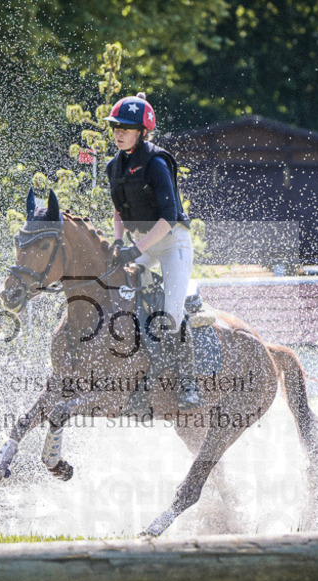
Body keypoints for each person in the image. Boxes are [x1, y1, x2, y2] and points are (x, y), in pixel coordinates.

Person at [105, 92, 201, 410]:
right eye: (116, 127)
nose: (119, 133)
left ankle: (189, 382)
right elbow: (119, 212)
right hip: (140, 243)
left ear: (142, 131)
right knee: (118, 293)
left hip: (172, 242)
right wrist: (119, 243)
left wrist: (135, 250)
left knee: (172, 313)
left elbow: (168, 218)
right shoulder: (113, 166)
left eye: (126, 128)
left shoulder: (157, 162)